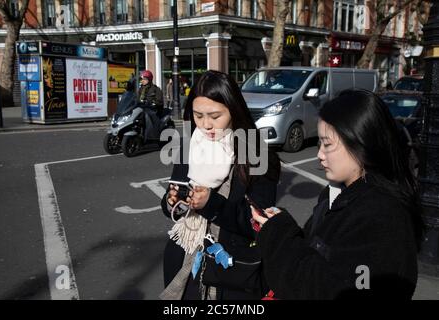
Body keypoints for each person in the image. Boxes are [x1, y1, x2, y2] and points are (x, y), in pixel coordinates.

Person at [252, 89, 423, 299]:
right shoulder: (335, 192)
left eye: (328, 144)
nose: (319, 154)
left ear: (360, 142)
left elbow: (327, 287)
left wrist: (278, 233)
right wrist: (280, 225)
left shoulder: (383, 218)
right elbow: (315, 251)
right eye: (319, 143)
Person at [159, 70, 281, 300]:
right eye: (198, 115)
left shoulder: (256, 153)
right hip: (184, 262)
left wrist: (211, 204)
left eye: (215, 116)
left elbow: (260, 221)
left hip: (230, 271)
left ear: (234, 111)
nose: (206, 125)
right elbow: (169, 205)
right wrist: (171, 200)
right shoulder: (190, 146)